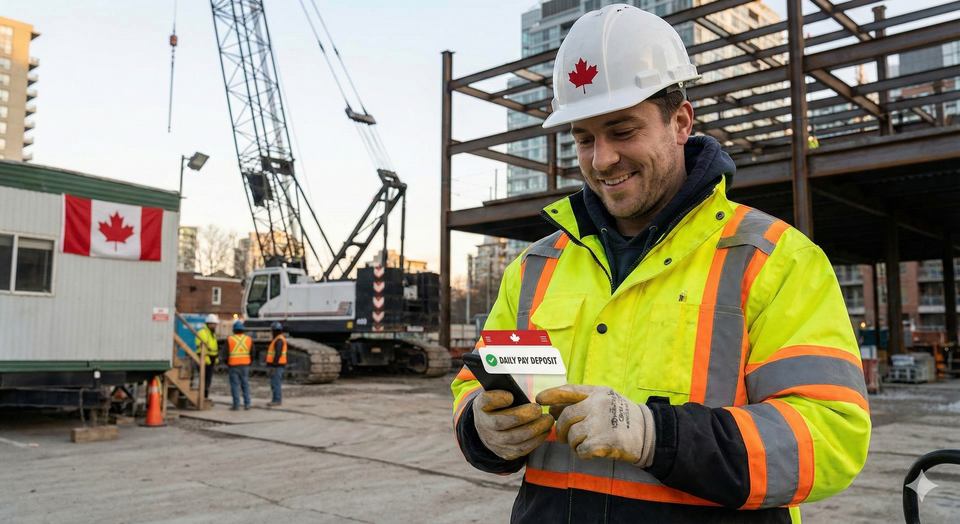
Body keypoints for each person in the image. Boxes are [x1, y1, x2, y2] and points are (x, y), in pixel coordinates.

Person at [451, 5, 870, 523]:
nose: (602, 159)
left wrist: (657, 436)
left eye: (622, 131)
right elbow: (482, 385)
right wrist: (484, 428)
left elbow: (829, 438)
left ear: (680, 122)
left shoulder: (774, 261)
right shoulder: (536, 268)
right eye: (584, 138)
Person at [226, 320, 252, 411]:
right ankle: (247, 404)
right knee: (245, 384)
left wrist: (228, 363)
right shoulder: (248, 339)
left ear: (234, 330)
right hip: (245, 365)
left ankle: (236, 405)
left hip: (233, 365)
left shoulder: (230, 339)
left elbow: (225, 354)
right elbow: (253, 353)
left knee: (235, 385)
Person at [195, 313, 220, 400]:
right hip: (205, 358)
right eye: (214, 324)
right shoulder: (203, 332)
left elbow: (214, 346)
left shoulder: (212, 333)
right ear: (209, 324)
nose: (215, 326)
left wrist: (215, 357)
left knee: (208, 379)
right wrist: (205, 357)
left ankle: (205, 397)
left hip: (211, 358)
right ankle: (203, 397)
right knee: (204, 379)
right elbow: (201, 346)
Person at [266, 321, 287, 407]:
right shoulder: (278, 339)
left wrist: (274, 364)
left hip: (277, 365)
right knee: (275, 382)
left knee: (276, 383)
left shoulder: (278, 340)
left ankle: (277, 400)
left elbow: (278, 353)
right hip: (278, 364)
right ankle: (276, 399)